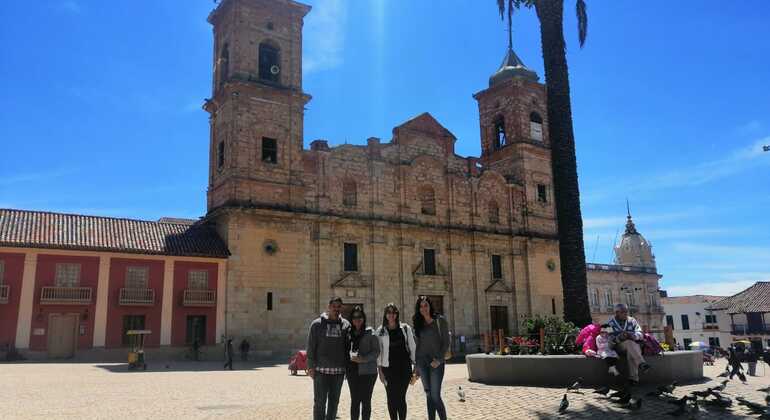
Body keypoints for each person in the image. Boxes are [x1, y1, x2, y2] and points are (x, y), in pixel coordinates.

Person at [307, 297, 351, 420]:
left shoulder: (346, 325)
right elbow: (311, 346)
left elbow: (348, 347)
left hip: (339, 372)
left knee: (334, 402)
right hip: (321, 371)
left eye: (339, 307)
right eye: (334, 306)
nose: (336, 309)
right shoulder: (317, 324)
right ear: (329, 307)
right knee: (320, 402)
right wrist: (310, 366)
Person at [376, 303, 417, 420]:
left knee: (401, 397)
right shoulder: (381, 330)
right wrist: (380, 372)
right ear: (385, 315)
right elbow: (379, 353)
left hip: (404, 369)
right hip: (388, 370)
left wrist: (415, 368)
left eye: (393, 312)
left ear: (396, 314)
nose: (391, 315)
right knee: (391, 398)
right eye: (388, 312)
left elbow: (413, 348)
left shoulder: (405, 328)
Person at [412, 296, 450, 420]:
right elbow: (418, 347)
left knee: (435, 395)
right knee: (428, 394)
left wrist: (439, 359)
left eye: (426, 305)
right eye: (421, 306)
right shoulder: (418, 324)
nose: (424, 308)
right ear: (418, 309)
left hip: (436, 363)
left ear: (430, 306)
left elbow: (446, 342)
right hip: (422, 362)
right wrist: (416, 368)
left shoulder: (440, 320)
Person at [607, 304, 650, 396]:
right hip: (619, 347)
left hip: (633, 346)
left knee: (631, 346)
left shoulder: (632, 321)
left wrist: (633, 336)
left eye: (626, 311)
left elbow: (640, 333)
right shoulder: (610, 323)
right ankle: (641, 364)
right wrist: (619, 338)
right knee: (630, 344)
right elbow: (609, 342)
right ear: (617, 313)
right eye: (623, 312)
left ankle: (633, 380)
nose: (625, 313)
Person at [346, 306, 380, 420]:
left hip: (368, 373)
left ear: (364, 318)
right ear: (351, 319)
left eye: (360, 316)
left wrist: (363, 359)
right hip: (352, 372)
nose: (357, 319)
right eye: (354, 317)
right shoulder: (348, 333)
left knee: (366, 401)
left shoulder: (370, 332)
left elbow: (376, 351)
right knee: (355, 401)